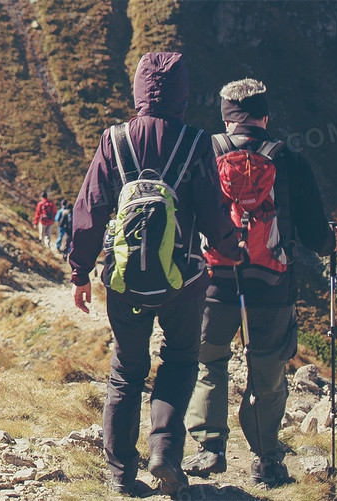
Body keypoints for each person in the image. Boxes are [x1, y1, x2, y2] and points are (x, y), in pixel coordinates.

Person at [68, 52, 244, 496]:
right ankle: (165, 451)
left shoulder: (114, 140)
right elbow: (212, 209)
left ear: (139, 90)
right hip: (183, 283)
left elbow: (88, 210)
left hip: (124, 281)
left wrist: (80, 272)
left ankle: (121, 472)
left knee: (127, 370)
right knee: (181, 361)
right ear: (183, 94)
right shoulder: (196, 141)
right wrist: (230, 247)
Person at [182, 78, 337, 487]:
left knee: (209, 363)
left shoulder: (202, 154)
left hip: (213, 283)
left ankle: (209, 447)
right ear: (265, 116)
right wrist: (332, 239)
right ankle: (267, 459)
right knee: (267, 372)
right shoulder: (290, 160)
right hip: (272, 287)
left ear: (224, 116)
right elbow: (311, 236)